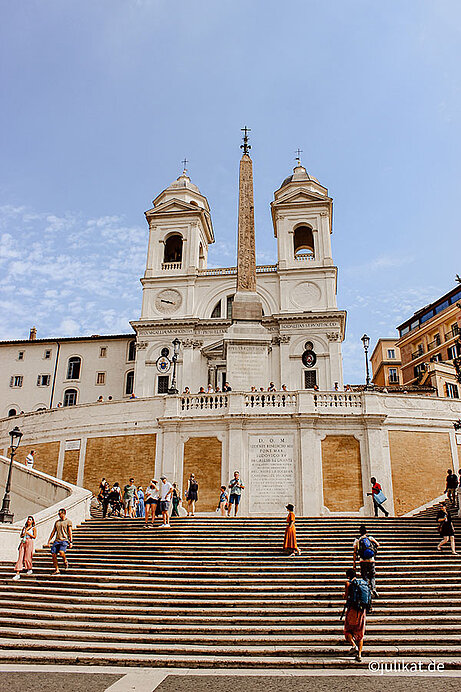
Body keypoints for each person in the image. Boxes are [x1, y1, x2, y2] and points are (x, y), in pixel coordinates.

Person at [343, 567, 371, 663]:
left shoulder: (348, 584)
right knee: (360, 633)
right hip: (362, 611)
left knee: (348, 630)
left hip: (352, 610)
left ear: (348, 576)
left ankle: (353, 645)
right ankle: (359, 654)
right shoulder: (363, 583)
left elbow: (346, 597)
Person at [353, 525, 380, 597]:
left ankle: (368, 590)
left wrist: (354, 563)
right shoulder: (370, 538)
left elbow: (355, 552)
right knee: (372, 575)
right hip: (371, 560)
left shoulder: (357, 540)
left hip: (362, 560)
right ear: (366, 531)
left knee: (364, 576)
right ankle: (374, 588)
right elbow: (378, 544)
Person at [46, 508, 73, 575]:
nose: (58, 515)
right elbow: (53, 531)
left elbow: (70, 532)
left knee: (61, 552)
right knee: (53, 554)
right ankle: (57, 569)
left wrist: (71, 541)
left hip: (64, 540)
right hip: (57, 540)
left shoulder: (68, 521)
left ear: (63, 513)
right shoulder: (57, 522)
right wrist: (49, 540)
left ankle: (65, 561)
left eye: (59, 513)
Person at [13, 515, 36, 580]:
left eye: (30, 520)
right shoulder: (24, 528)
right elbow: (21, 535)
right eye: (28, 519)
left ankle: (29, 568)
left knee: (28, 556)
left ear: (32, 521)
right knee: (20, 556)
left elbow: (34, 536)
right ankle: (17, 572)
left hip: (29, 541)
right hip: (23, 541)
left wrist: (28, 533)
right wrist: (24, 533)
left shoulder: (33, 528)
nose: (29, 521)